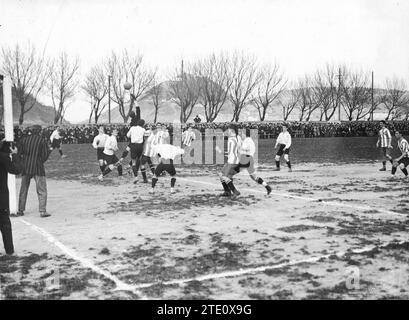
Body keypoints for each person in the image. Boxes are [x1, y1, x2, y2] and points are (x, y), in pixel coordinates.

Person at [17, 125, 52, 218]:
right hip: (38, 167)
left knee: (23, 189)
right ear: (39, 131)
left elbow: (19, 154)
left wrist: (23, 162)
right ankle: (42, 211)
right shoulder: (42, 140)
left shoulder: (23, 140)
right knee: (42, 189)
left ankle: (20, 210)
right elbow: (45, 155)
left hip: (26, 167)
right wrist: (39, 161)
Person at [0, 140, 22, 255]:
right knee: (5, 224)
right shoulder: (3, 157)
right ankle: (9, 250)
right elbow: (16, 170)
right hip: (1, 197)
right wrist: (14, 154)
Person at [237, 129, 272, 195]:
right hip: (250, 160)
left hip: (246, 159)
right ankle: (267, 186)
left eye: (242, 134)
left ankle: (230, 189)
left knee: (231, 172)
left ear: (245, 134)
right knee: (254, 177)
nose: (241, 135)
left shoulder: (247, 140)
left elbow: (244, 148)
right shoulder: (249, 140)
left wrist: (238, 145)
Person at [219, 125, 242, 198]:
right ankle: (227, 192)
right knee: (227, 176)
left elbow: (230, 152)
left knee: (222, 176)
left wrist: (221, 152)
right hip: (236, 161)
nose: (227, 131)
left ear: (232, 131)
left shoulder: (231, 139)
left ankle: (234, 191)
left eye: (228, 130)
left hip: (232, 161)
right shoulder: (238, 137)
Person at [126, 119, 146, 184]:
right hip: (140, 146)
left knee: (133, 162)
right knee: (139, 160)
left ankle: (136, 177)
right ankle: (144, 178)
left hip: (134, 146)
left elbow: (127, 135)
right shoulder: (143, 130)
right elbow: (145, 136)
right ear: (143, 124)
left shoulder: (132, 128)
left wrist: (133, 136)